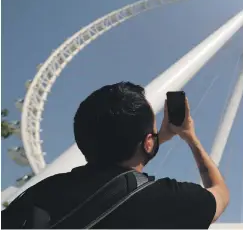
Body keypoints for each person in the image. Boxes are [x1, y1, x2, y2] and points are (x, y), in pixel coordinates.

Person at [2, 82, 230, 228]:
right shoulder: (167, 200)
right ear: (148, 143)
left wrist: (153, 139)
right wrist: (190, 137)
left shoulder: (39, 194)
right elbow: (220, 193)